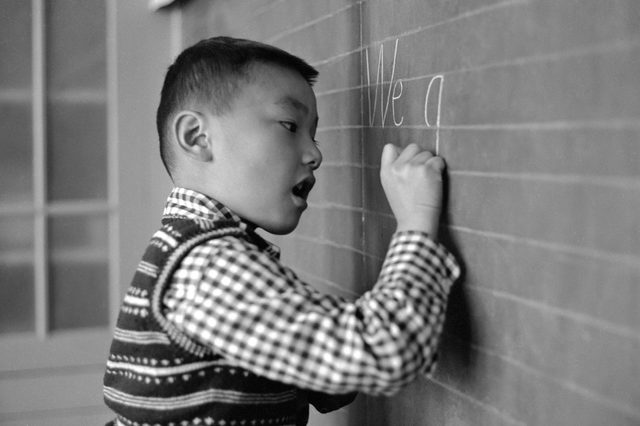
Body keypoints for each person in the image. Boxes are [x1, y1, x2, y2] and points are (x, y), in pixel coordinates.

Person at [103, 36, 460, 426]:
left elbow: (320, 375)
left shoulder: (196, 253)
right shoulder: (211, 268)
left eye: (314, 134)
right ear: (197, 138)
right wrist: (416, 224)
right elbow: (385, 353)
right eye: (290, 126)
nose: (315, 154)